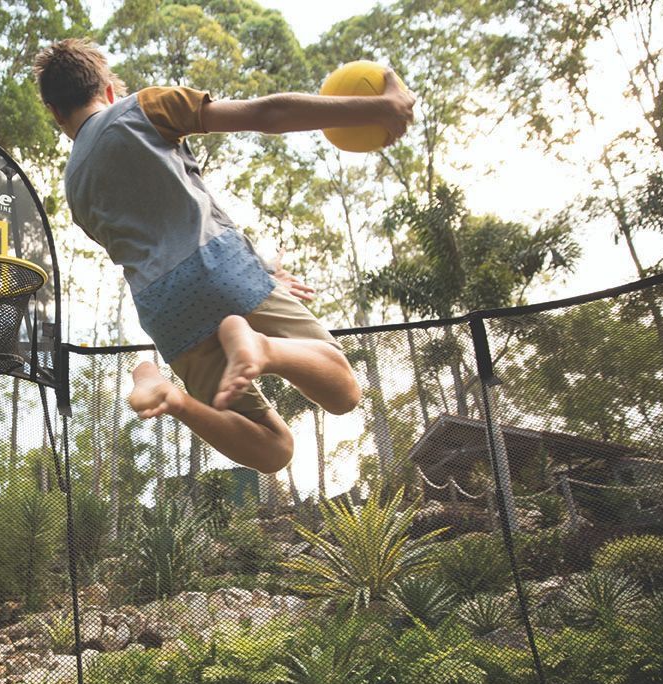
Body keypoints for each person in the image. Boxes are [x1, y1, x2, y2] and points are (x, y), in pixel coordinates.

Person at [33, 39, 416, 473]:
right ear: (107, 90)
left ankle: (171, 398)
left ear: (56, 113)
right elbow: (267, 115)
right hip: (220, 265)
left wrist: (264, 278)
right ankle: (263, 348)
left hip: (164, 310)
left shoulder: (74, 187)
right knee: (343, 391)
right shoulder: (142, 107)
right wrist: (376, 108)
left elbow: (150, 240)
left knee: (274, 451)